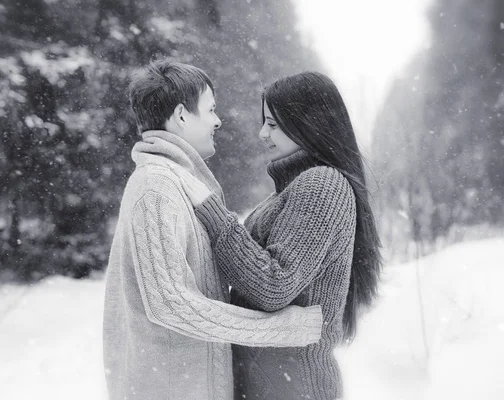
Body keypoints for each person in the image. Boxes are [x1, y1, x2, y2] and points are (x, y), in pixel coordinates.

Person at [102, 60, 324, 400]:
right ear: (180, 115)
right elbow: (172, 305)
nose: (217, 120)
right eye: (210, 109)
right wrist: (282, 328)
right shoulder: (155, 188)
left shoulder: (178, 184)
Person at [176, 71, 383, 400]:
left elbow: (273, 286)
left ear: (307, 123)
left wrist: (214, 215)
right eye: (264, 122)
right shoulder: (292, 190)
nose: (262, 133)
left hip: (293, 386)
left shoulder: (322, 184)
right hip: (275, 384)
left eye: (273, 124)